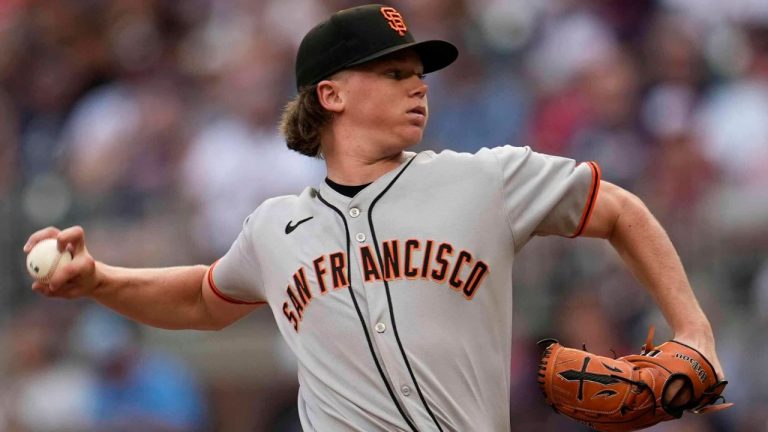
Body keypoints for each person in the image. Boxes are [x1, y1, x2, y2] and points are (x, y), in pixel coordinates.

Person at [24, 4, 725, 431]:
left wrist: (692, 328)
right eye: (392, 72)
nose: (417, 83)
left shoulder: (483, 179)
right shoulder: (275, 228)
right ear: (329, 93)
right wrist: (99, 281)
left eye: (417, 71)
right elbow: (204, 299)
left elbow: (620, 211)